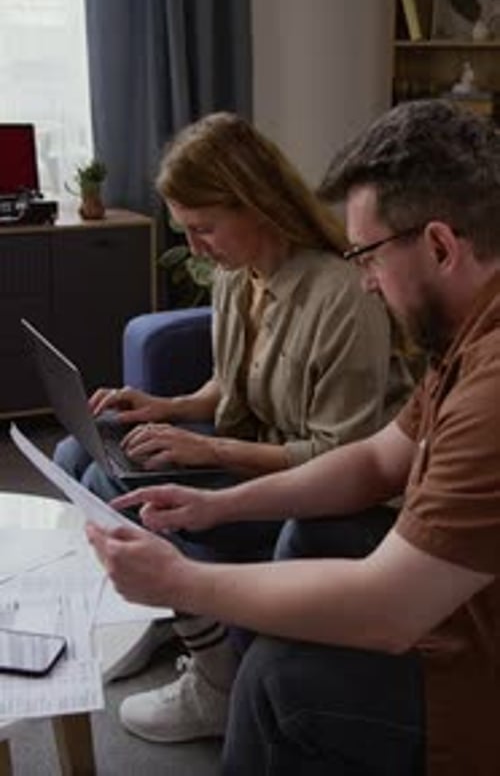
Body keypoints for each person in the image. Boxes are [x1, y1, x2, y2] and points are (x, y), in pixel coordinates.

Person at [87, 98, 500, 776]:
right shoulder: (466, 340)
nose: (363, 280)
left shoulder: (491, 387)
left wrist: (184, 581)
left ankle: (241, 692)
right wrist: (218, 505)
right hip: (454, 594)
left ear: (439, 247)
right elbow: (374, 459)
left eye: (366, 255)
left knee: (280, 682)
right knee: (312, 536)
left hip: (479, 669)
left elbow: (392, 608)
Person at [56, 112, 407, 741]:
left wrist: (206, 446)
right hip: (260, 453)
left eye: (204, 228)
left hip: (327, 489)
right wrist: (167, 407)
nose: (196, 249)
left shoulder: (343, 296)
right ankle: (164, 617)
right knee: (78, 452)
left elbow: (343, 453)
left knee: (121, 489)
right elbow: (231, 382)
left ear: (256, 203)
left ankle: (216, 680)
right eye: (185, 231)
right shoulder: (237, 276)